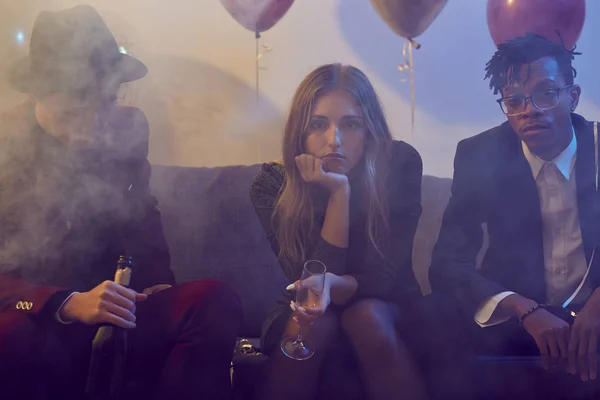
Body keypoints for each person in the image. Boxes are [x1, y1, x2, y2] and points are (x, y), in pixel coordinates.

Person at [0, 6, 241, 400]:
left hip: (118, 313)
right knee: (8, 335)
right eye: (75, 107)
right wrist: (68, 302)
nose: (93, 122)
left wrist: (156, 282)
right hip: (40, 321)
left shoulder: (127, 126)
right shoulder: (4, 146)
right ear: (35, 92)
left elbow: (143, 213)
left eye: (103, 102)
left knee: (214, 301)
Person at [250, 63, 475, 400]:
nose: (334, 141)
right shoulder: (271, 185)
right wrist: (339, 194)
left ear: (369, 129)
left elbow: (385, 276)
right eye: (318, 125)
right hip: (307, 310)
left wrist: (340, 190)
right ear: (299, 132)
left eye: (351, 124)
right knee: (311, 324)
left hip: (390, 302)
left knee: (365, 315)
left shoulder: (399, 163)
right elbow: (310, 285)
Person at [430, 33, 600, 399]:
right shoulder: (481, 154)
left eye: (546, 93)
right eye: (515, 100)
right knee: (431, 312)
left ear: (573, 96)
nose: (530, 109)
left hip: (595, 316)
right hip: (520, 320)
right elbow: (446, 263)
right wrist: (523, 308)